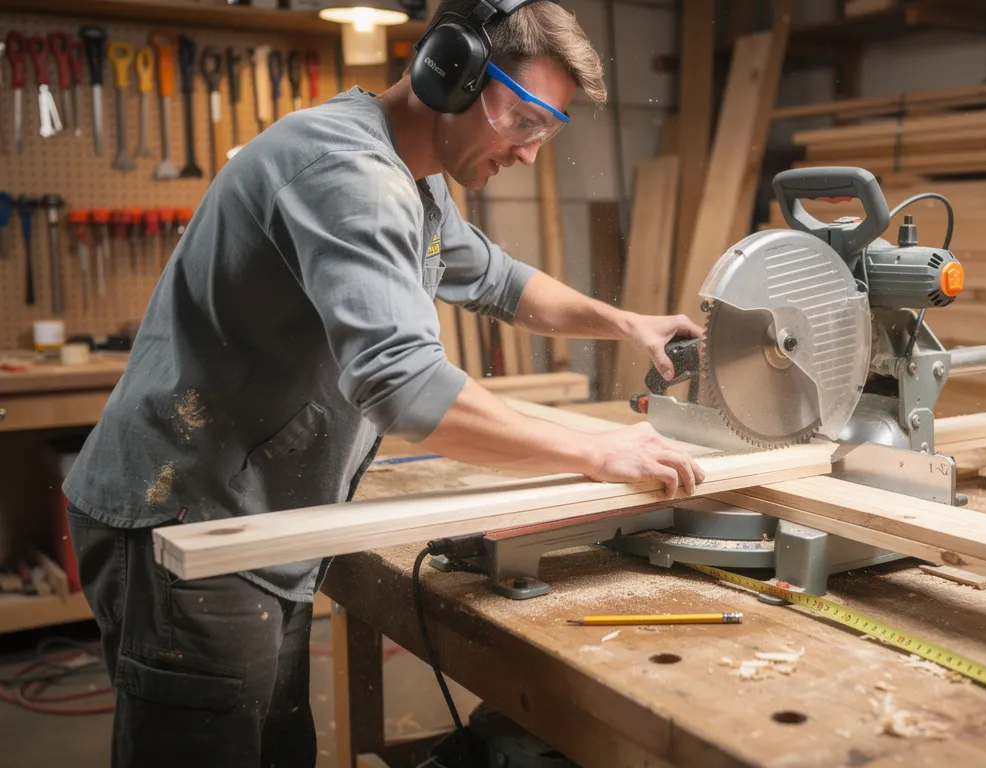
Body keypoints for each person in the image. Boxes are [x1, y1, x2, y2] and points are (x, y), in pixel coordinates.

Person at [61, 2, 703, 765]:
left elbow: (502, 282)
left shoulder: (414, 180)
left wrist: (627, 323)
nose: (530, 152)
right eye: (523, 117)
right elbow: (404, 386)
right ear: (450, 69)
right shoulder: (349, 173)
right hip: (185, 517)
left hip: (255, 517)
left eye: (546, 130)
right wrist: (597, 450)